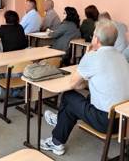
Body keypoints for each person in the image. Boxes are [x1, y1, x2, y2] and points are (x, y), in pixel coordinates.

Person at [41, 19, 129, 156]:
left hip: (106, 123)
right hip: (125, 122)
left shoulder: (93, 57)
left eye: (93, 35)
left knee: (69, 96)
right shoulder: (122, 57)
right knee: (85, 98)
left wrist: (87, 55)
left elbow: (72, 84)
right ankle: (60, 121)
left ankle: (57, 142)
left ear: (97, 40)